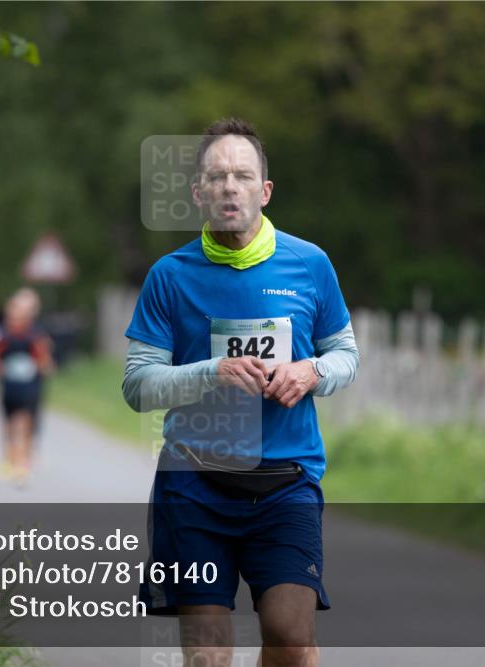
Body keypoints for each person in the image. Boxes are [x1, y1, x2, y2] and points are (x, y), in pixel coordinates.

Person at [122, 118, 360, 667]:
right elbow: (137, 385)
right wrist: (214, 372)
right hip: (194, 484)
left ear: (265, 190)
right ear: (198, 193)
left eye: (243, 176)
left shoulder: (310, 264)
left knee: (290, 637)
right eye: (217, 177)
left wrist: (312, 372)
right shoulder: (169, 275)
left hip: (285, 482)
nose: (230, 187)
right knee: (208, 655)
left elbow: (346, 356)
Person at [0, 288, 54, 485]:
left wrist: (42, 365)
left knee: (24, 423)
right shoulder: (2, 335)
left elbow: (45, 360)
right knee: (8, 424)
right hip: (9, 386)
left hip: (30, 387)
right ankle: (9, 459)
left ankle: (23, 462)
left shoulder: (36, 335)